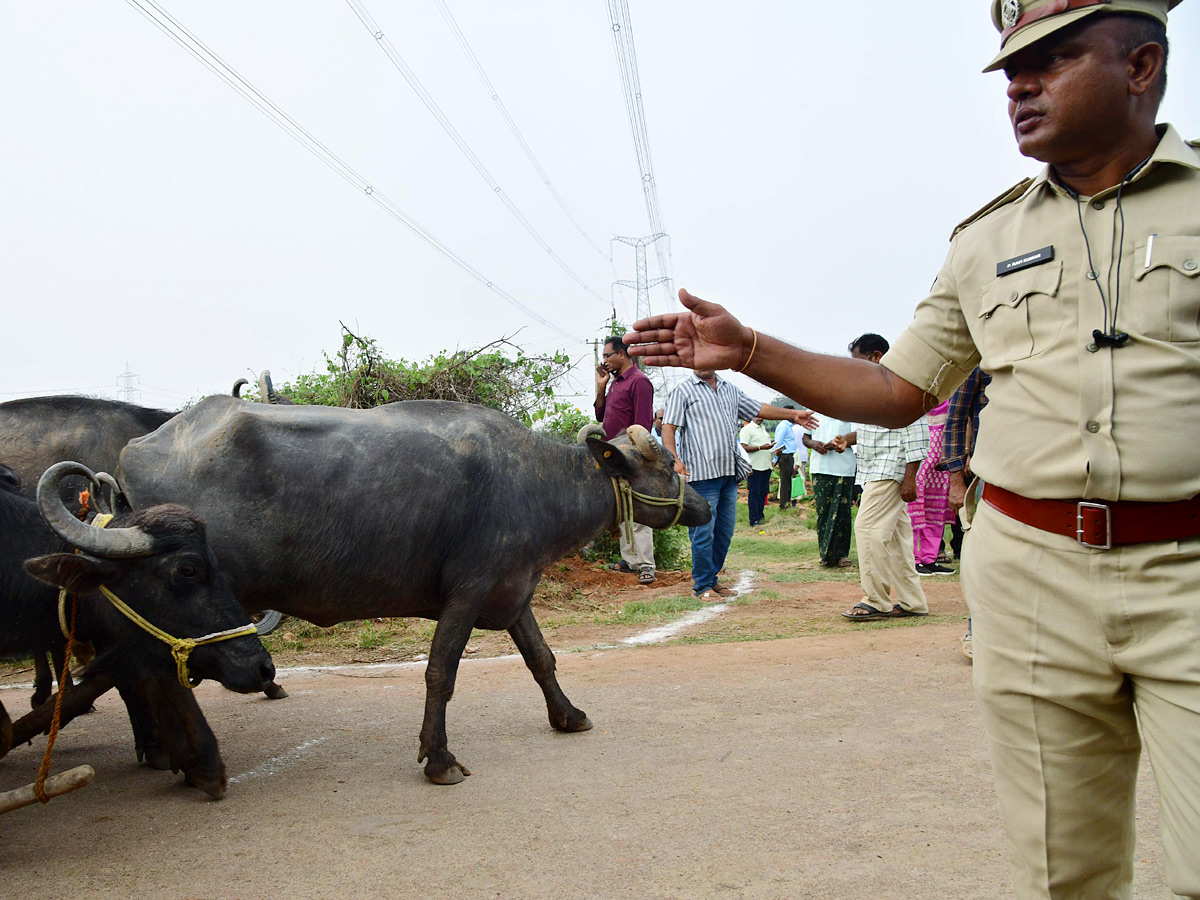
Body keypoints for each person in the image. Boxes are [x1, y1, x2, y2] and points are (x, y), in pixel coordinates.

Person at [623, 4, 1197, 896]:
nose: (1020, 84)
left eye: (1052, 59)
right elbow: (897, 391)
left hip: (1190, 574)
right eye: (1010, 69)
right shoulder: (984, 241)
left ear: (1142, 64)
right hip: (1032, 578)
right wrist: (748, 349)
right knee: (1064, 872)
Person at [661, 370, 815, 600]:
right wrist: (674, 459)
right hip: (701, 474)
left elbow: (759, 408)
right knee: (703, 533)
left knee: (724, 532)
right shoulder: (682, 391)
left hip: (729, 474)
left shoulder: (729, 389)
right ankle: (702, 584)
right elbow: (668, 427)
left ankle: (711, 579)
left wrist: (792, 415)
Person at [831, 335, 930, 620]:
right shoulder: (876, 389)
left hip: (890, 471)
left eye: (859, 362)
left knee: (867, 529)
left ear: (876, 356)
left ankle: (876, 600)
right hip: (877, 468)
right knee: (897, 538)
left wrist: (910, 478)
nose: (855, 369)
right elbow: (875, 430)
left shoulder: (903, 385)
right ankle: (912, 602)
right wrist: (847, 440)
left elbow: (916, 434)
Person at [594, 335, 657, 585]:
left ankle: (645, 564)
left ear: (622, 353)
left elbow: (643, 424)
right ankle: (630, 561)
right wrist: (601, 387)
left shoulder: (639, 382)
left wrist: (636, 456)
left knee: (638, 509)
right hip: (613, 452)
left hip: (630, 454)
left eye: (607, 355)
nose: (605, 361)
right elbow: (600, 414)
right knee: (622, 508)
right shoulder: (615, 382)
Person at [942, 366, 992, 658]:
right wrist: (956, 480)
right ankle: (977, 631)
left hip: (1038, 469)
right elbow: (956, 418)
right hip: (987, 471)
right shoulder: (983, 357)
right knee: (984, 553)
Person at [908, 399, 956, 576]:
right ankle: (913, 559)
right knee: (915, 510)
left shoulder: (949, 401)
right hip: (919, 463)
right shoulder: (915, 401)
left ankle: (930, 558)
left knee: (936, 510)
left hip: (939, 465)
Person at [804, 413, 856, 568]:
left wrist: (841, 442)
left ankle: (841, 554)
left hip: (843, 467)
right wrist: (813, 444)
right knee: (823, 512)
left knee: (842, 512)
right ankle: (825, 554)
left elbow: (860, 434)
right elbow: (805, 437)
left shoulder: (849, 408)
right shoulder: (813, 410)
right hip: (820, 467)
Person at [739, 415, 775, 526]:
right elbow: (742, 447)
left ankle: (760, 515)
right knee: (754, 493)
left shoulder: (763, 429)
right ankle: (753, 519)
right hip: (754, 466)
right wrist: (760, 447)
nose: (760, 418)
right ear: (751, 416)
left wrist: (774, 451)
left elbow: (766, 447)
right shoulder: (747, 429)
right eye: (757, 416)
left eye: (762, 416)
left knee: (763, 492)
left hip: (766, 465)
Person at [772, 412, 799, 509]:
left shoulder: (790, 426)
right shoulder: (784, 426)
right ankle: (784, 505)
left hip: (789, 456)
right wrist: (775, 458)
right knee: (785, 481)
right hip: (785, 456)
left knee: (788, 481)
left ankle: (787, 503)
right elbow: (778, 443)